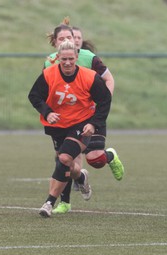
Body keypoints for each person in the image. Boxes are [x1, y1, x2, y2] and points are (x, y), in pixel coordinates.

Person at [44, 21, 124, 215]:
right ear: (55, 43)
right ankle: (67, 201)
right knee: (66, 162)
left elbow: (109, 80)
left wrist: (101, 107)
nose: (66, 41)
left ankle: (110, 156)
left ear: (76, 41)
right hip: (65, 120)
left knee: (94, 159)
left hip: (89, 117)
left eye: (70, 38)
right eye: (61, 39)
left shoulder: (88, 58)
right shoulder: (50, 62)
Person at [28, 39, 111, 217]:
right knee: (68, 165)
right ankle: (80, 177)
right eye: (63, 59)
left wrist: (93, 124)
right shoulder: (49, 74)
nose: (67, 62)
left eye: (70, 59)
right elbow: (34, 96)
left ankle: (49, 203)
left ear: (76, 57)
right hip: (58, 125)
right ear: (58, 57)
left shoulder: (89, 77)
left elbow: (104, 100)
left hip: (81, 122)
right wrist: (48, 112)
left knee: (64, 158)